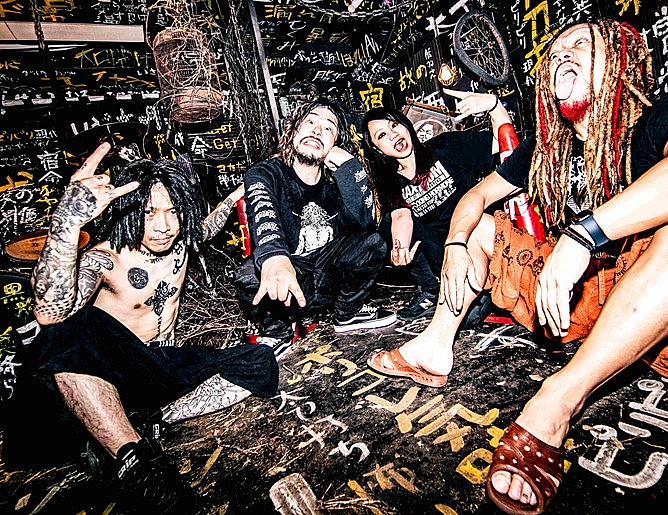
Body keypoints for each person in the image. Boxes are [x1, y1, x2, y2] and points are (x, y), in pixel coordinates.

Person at [366, 19, 668, 514]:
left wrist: (584, 235)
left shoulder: (659, 116)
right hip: (582, 299)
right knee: (476, 227)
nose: (563, 54)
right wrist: (454, 243)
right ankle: (435, 347)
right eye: (556, 51)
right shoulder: (548, 147)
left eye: (582, 44)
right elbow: (475, 198)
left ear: (620, 62)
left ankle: (557, 403)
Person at [2, 143, 279, 514]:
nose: (163, 226)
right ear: (130, 212)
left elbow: (208, 226)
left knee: (259, 360)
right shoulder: (105, 257)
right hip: (107, 372)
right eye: (149, 213)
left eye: (173, 211)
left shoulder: (181, 240)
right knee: (71, 329)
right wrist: (67, 222)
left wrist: (236, 194)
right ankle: (136, 464)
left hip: (157, 367)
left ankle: (148, 420)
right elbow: (51, 313)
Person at [234, 96, 395, 352]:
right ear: (293, 130)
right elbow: (264, 214)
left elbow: (365, 226)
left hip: (331, 280)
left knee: (374, 242)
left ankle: (348, 313)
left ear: (335, 143)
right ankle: (277, 333)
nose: (317, 130)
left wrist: (349, 168)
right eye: (310, 122)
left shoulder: (336, 181)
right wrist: (275, 258)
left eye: (329, 128)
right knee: (249, 275)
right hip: (290, 283)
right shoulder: (266, 173)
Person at [360, 89, 511, 323]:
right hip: (444, 257)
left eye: (394, 125)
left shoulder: (445, 147)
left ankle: (486, 283)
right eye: (382, 135)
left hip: (476, 238)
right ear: (378, 149)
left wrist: (494, 106)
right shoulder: (390, 182)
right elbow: (400, 216)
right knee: (387, 224)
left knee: (473, 312)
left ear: (406, 125)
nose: (393, 134)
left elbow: (503, 142)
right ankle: (431, 289)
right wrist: (400, 248)